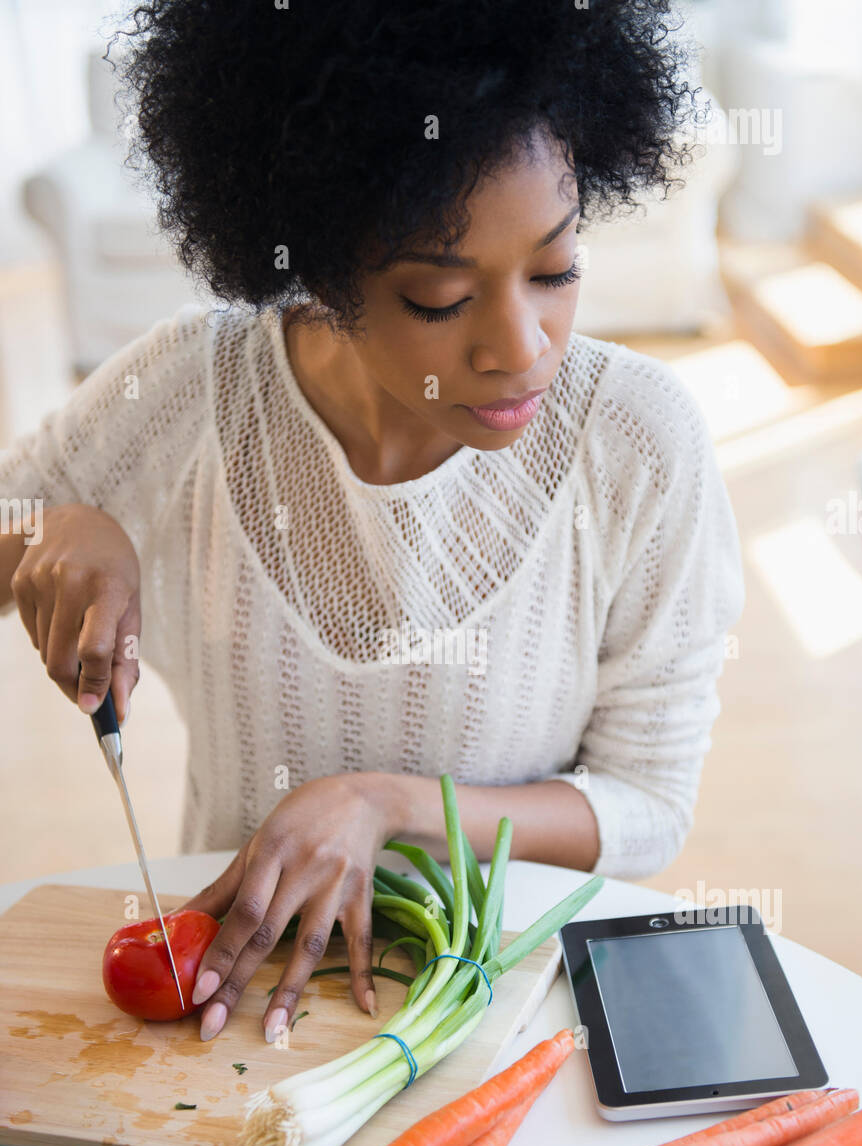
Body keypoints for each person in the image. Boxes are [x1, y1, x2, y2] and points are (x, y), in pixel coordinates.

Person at [0, 0, 744, 1042]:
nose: (522, 346)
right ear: (320, 268)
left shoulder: (637, 441)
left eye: (553, 267)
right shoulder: (193, 386)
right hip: (231, 1005)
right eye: (441, 300)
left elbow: (645, 804)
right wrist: (59, 528)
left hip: (491, 1012)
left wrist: (387, 805)